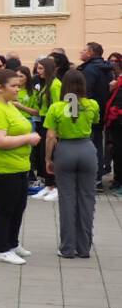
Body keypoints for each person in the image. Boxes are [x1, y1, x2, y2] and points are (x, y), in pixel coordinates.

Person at [0, 68, 39, 265]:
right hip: (1, 167)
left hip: (18, 165)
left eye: (19, 86)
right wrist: (28, 138)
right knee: (4, 208)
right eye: (13, 86)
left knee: (18, 206)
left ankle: (12, 243)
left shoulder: (8, 104)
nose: (17, 89)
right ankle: (2, 248)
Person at [45, 68, 99, 259]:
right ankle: (84, 247)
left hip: (65, 150)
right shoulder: (92, 104)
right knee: (87, 199)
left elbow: (51, 136)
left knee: (67, 200)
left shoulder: (56, 107)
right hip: (86, 150)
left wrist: (48, 158)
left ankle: (67, 247)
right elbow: (95, 123)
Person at [78, 42, 112, 185]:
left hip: (89, 112)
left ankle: (92, 177)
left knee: (89, 144)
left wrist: (78, 110)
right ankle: (97, 176)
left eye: (84, 50)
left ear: (91, 53)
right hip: (102, 110)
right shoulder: (106, 68)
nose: (81, 52)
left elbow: (86, 92)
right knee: (97, 143)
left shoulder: (89, 70)